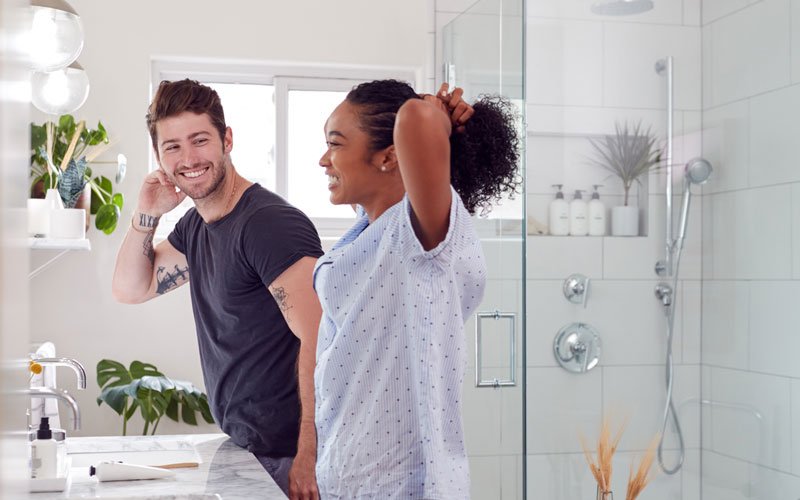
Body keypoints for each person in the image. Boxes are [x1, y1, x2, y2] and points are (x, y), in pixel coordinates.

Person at [111, 79, 322, 500]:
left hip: (289, 458)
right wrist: (146, 213)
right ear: (159, 156)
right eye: (172, 146)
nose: (188, 158)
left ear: (227, 140)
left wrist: (308, 452)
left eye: (200, 140)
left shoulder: (268, 225)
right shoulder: (198, 226)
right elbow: (131, 289)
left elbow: (321, 339)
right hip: (249, 449)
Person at [313, 80, 521, 498]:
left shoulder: (421, 237)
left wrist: (435, 108)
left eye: (335, 144)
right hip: (348, 477)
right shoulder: (366, 228)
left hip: (404, 486)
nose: (323, 159)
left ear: (389, 156)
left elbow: (419, 120)